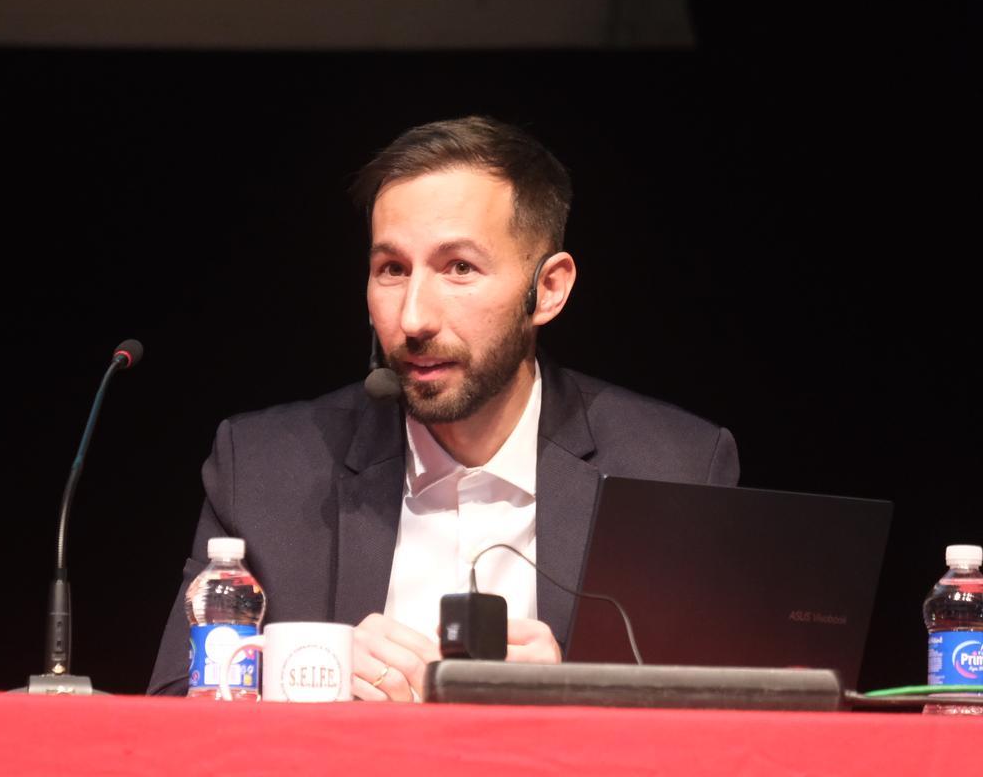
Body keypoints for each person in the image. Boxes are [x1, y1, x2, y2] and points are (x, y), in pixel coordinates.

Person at [148, 116, 738, 700]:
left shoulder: (674, 468)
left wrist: (583, 692)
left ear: (549, 289)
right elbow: (174, 712)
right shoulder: (263, 468)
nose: (412, 319)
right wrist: (308, 669)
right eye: (392, 270)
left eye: (459, 268)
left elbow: (738, 734)